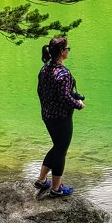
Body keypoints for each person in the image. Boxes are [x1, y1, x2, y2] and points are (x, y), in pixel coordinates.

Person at [35, 35, 83, 198]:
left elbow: (41, 92)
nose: (68, 51)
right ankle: (56, 188)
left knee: (57, 147)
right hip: (61, 118)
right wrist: (78, 104)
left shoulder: (45, 68)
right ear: (62, 52)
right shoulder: (63, 73)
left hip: (48, 115)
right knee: (61, 150)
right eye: (67, 49)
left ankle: (42, 180)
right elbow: (65, 97)